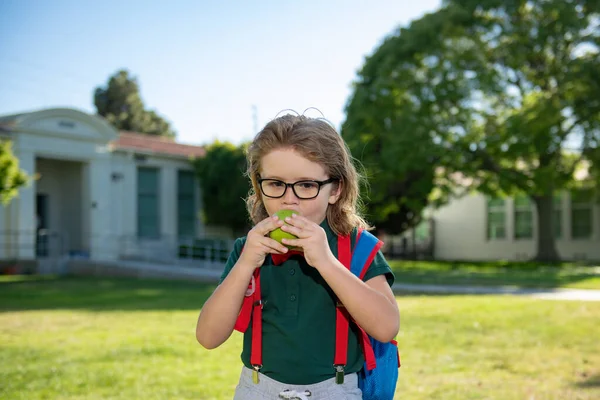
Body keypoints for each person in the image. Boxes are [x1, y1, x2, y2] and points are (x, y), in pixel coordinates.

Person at [196, 113, 399, 400]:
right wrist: (245, 265)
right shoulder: (249, 248)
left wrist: (326, 262)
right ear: (259, 185)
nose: (288, 199)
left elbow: (387, 327)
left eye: (306, 185)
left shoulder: (357, 247)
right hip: (257, 388)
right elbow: (208, 337)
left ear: (335, 189)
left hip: (336, 389)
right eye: (276, 184)